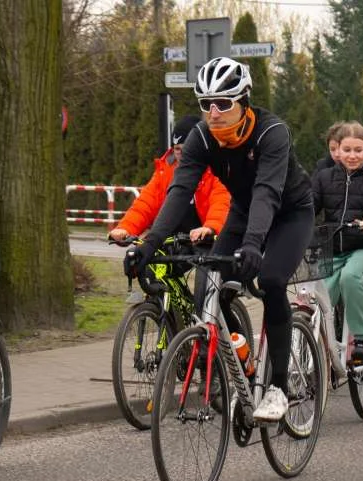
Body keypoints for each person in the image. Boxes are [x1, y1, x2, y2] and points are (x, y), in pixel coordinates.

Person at [125, 56, 314, 422]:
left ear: (243, 101)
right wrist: (147, 245)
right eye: (205, 104)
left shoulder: (271, 133)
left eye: (223, 103)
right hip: (244, 212)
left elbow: (267, 192)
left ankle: (278, 388)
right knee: (213, 287)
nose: (213, 112)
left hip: (289, 212)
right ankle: (242, 363)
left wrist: (252, 245)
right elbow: (179, 190)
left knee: (272, 280)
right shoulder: (200, 137)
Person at [311, 121, 363, 364]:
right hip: (333, 251)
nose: (352, 155)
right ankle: (317, 350)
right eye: (346, 150)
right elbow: (307, 207)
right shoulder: (324, 177)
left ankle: (362, 340)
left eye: (358, 150)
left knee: (350, 277)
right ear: (337, 150)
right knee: (319, 297)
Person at [108, 115, 229, 245]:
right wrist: (125, 228)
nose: (182, 155)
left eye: (188, 149)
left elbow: (222, 203)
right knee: (136, 260)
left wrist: (210, 227)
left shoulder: (217, 171)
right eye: (177, 149)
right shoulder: (164, 172)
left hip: (206, 242)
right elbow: (145, 204)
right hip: (170, 242)